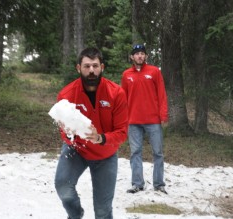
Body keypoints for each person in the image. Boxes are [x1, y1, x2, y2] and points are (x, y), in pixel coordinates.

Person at [54, 47, 128, 219]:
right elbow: (64, 131)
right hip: (77, 149)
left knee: (103, 211)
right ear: (78, 68)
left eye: (95, 66)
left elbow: (122, 133)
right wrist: (68, 133)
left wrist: (100, 138)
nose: (91, 70)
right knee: (63, 186)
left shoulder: (116, 93)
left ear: (102, 67)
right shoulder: (66, 94)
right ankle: (75, 214)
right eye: (87, 66)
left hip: (105, 153)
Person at [121, 44, 168, 194]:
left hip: (153, 120)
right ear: (132, 57)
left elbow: (161, 94)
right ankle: (137, 184)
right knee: (135, 153)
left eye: (142, 53)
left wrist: (163, 114)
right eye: (137, 54)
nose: (140, 56)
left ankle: (159, 184)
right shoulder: (126, 75)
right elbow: (123, 98)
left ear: (146, 56)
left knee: (158, 153)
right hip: (133, 121)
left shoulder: (154, 72)